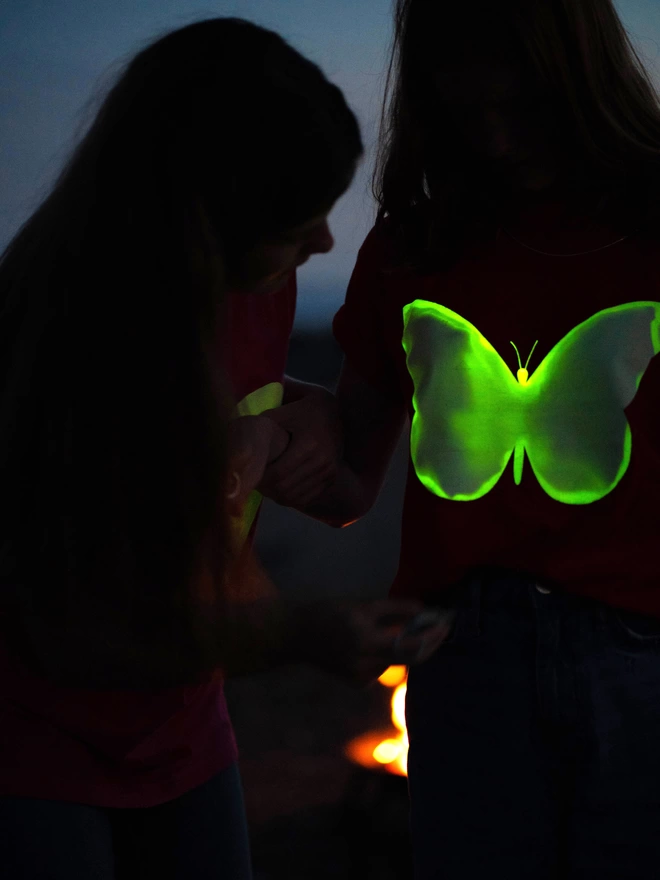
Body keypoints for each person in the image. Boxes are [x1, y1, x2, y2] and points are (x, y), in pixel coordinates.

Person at [0, 17, 450, 880]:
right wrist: (295, 632)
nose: (322, 243)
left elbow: (272, 443)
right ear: (203, 216)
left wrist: (294, 416)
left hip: (186, 733)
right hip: (38, 751)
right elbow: (77, 626)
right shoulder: (60, 345)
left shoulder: (251, 288)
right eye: (295, 222)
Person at [258, 0, 660, 877]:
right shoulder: (415, 247)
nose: (501, 141)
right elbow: (349, 484)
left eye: (526, 110)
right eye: (470, 115)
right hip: (465, 659)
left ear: (583, 81)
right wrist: (271, 428)